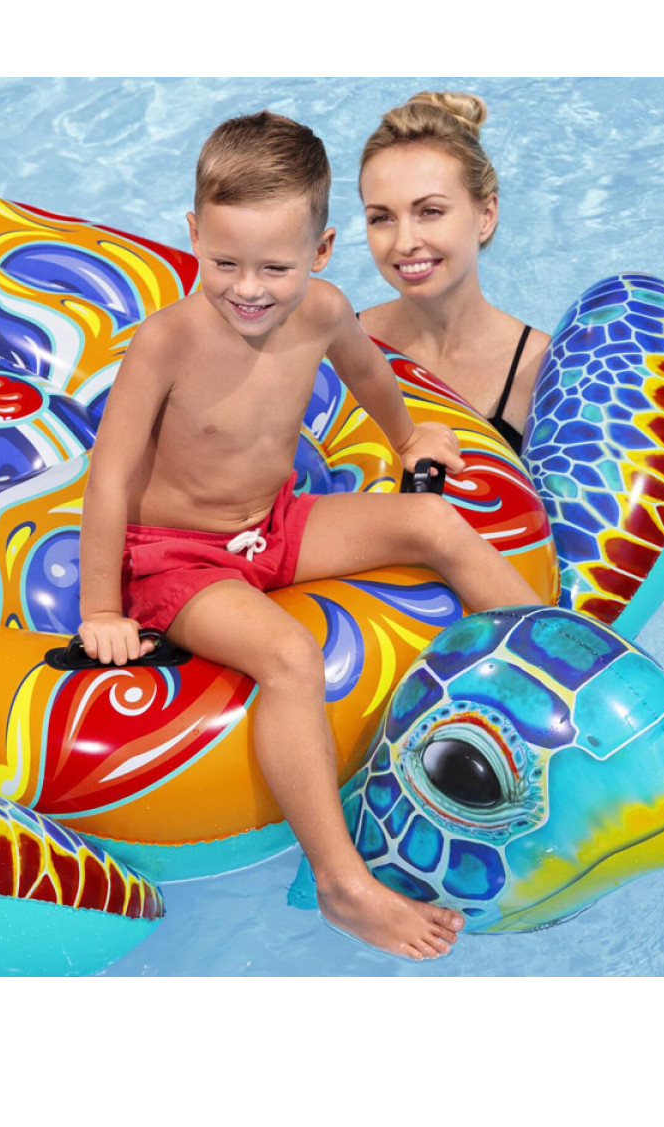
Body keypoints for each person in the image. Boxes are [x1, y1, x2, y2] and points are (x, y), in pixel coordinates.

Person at [77, 110, 543, 961]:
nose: (249, 289)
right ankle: (341, 883)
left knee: (432, 521)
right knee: (290, 657)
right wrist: (102, 610)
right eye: (224, 263)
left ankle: (560, 673)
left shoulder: (323, 312)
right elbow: (108, 478)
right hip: (176, 560)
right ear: (193, 236)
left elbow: (368, 374)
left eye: (275, 267)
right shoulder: (168, 341)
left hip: (273, 525)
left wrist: (408, 439)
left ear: (322, 251)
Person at [357, 91, 549, 454]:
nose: (404, 242)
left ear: (486, 216)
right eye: (381, 218)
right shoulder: (334, 351)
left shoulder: (543, 370)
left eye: (430, 211)